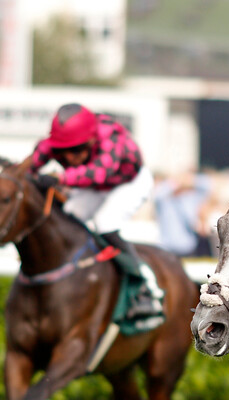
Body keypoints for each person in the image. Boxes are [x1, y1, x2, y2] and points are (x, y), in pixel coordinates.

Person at [29, 103, 160, 318]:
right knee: (68, 217)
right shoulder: (51, 144)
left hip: (130, 182)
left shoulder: (109, 135)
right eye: (64, 150)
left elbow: (99, 173)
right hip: (95, 187)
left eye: (77, 149)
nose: (70, 157)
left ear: (91, 139)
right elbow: (29, 165)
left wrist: (58, 178)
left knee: (105, 223)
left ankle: (145, 284)